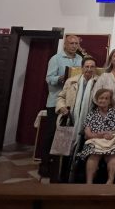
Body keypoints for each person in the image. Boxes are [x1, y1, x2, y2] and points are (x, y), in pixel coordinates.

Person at [40, 35, 82, 177]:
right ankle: (44, 164)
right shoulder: (56, 59)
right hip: (55, 102)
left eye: (76, 43)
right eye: (71, 43)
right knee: (51, 133)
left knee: (65, 135)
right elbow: (49, 78)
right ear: (65, 44)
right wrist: (61, 78)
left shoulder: (80, 59)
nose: (74, 45)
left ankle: (59, 166)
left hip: (71, 102)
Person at [78, 88, 115, 184]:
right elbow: (88, 134)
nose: (103, 100)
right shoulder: (91, 115)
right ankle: (89, 184)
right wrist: (99, 135)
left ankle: (109, 182)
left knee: (114, 155)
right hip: (96, 140)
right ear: (97, 100)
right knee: (94, 155)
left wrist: (111, 133)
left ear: (110, 101)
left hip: (113, 140)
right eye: (101, 98)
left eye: (106, 98)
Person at [55, 56, 98, 151]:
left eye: (92, 67)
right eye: (87, 66)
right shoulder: (71, 81)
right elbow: (61, 97)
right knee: (64, 148)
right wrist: (62, 107)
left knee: (85, 148)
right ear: (82, 68)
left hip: (90, 121)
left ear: (95, 68)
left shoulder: (99, 82)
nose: (89, 69)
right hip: (69, 119)